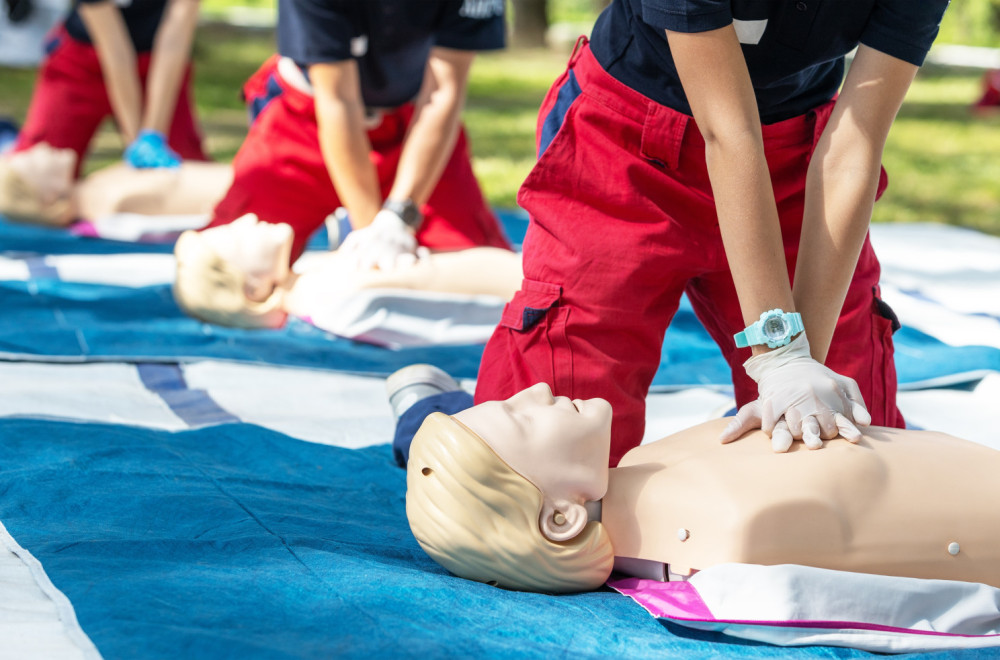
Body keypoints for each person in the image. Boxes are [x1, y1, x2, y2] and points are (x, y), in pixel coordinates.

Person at [472, 0, 952, 466]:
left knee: (846, 453)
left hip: (796, 152)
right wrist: (781, 352)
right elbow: (728, 129)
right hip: (627, 144)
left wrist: (802, 375)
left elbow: (856, 143)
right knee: (539, 459)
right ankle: (423, 406)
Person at [402, 378, 1000, 594]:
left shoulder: (646, 461)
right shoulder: (728, 525)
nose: (535, 392)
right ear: (560, 517)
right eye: (520, 415)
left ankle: (417, 405)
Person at [202, 0, 512, 268]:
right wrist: (369, 234)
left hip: (414, 125)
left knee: (483, 270)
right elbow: (337, 100)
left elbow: (443, 91)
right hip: (305, 122)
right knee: (220, 265)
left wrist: (396, 220)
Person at [173, 214, 522, 330]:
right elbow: (498, 279)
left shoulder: (319, 284)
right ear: (252, 288)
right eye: (235, 234)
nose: (246, 219)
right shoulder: (334, 290)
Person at [12, 0, 206, 176]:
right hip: (80, 65)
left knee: (189, 171)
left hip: (158, 68)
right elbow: (115, 51)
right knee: (29, 174)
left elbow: (176, 37)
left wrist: (152, 136)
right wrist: (135, 142)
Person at [0, 142, 229, 226]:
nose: (40, 148)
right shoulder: (114, 200)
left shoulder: (98, 186)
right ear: (48, 196)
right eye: (31, 159)